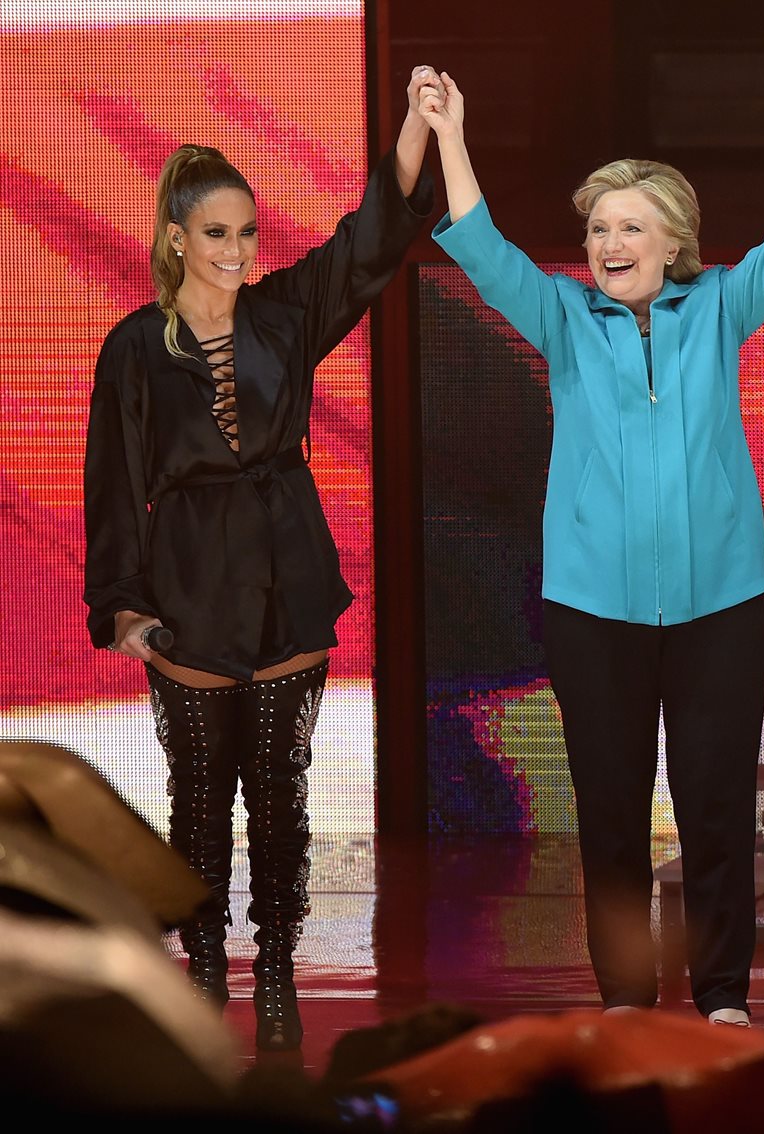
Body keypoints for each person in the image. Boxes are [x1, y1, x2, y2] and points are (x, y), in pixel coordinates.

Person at [417, 65, 764, 1025]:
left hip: (719, 606)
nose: (609, 242)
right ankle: (626, 996)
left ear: (675, 241)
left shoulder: (720, 308)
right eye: (597, 228)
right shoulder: (562, 318)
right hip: (593, 612)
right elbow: (483, 247)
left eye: (630, 226)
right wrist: (452, 135)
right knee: (612, 817)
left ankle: (720, 996)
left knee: (715, 813)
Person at [82, 66, 441, 1051]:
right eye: (216, 233)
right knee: (198, 800)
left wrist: (413, 126)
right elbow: (112, 487)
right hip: (189, 586)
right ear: (175, 238)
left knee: (278, 800)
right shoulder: (132, 351)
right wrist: (122, 607)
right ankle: (202, 973)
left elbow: (365, 249)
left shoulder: (283, 318)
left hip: (288, 573)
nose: (236, 250)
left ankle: (276, 970)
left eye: (246, 232)